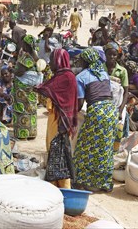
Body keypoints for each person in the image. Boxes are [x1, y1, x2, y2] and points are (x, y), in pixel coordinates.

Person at [74, 48, 116, 192]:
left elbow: (79, 104)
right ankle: (104, 183)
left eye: (81, 60)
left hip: (97, 111)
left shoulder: (81, 77)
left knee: (84, 147)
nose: (79, 62)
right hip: (111, 111)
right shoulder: (104, 74)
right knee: (105, 147)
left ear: (86, 61)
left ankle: (80, 181)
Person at [36, 49, 78, 189]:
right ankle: (56, 188)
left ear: (59, 61)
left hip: (60, 123)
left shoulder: (65, 77)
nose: (50, 63)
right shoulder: (61, 76)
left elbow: (62, 99)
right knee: (56, 157)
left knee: (60, 159)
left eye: (53, 60)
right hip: (56, 120)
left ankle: (61, 190)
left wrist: (37, 88)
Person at [11, 55, 43, 140]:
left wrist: (12, 70)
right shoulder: (36, 58)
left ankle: (22, 134)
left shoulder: (26, 58)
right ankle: (31, 133)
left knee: (22, 109)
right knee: (31, 109)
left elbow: (19, 72)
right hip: (32, 90)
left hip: (22, 91)